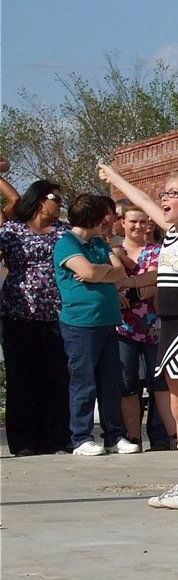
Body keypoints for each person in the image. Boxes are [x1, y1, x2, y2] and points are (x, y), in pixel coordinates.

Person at [99, 127, 178, 510]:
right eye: (164, 194)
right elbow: (139, 200)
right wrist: (116, 179)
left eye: (173, 194)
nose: (165, 200)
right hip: (165, 323)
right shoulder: (169, 232)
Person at [54, 194, 133, 455]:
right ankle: (81, 437)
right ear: (95, 217)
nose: (108, 220)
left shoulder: (98, 242)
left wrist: (97, 271)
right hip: (80, 324)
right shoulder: (66, 243)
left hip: (107, 321)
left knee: (110, 381)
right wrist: (101, 272)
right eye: (105, 215)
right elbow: (86, 272)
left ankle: (114, 435)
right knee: (83, 381)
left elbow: (119, 271)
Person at [0, 180, 71, 455]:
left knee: (55, 378)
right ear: (41, 200)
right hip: (19, 313)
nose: (60, 204)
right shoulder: (12, 231)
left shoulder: (65, 233)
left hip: (58, 314)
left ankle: (56, 439)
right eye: (56, 198)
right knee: (22, 379)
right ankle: (23, 442)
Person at [114, 204, 172, 453]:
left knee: (158, 381)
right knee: (127, 383)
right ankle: (133, 437)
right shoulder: (113, 250)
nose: (138, 226)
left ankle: (162, 437)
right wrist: (142, 287)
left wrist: (125, 284)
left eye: (142, 222)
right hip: (122, 326)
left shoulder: (156, 250)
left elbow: (155, 279)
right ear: (123, 223)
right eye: (132, 222)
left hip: (153, 325)